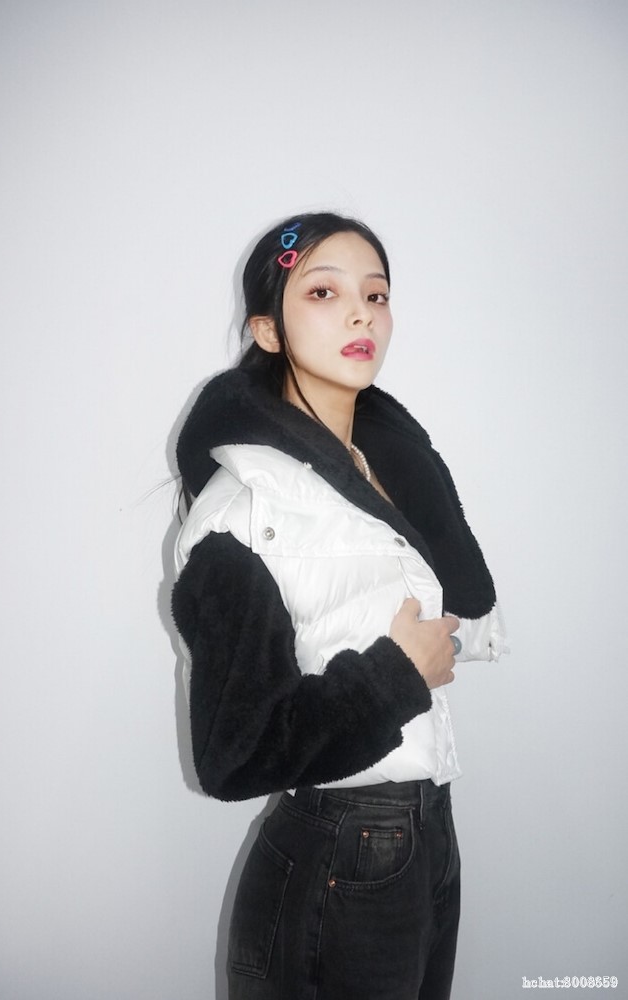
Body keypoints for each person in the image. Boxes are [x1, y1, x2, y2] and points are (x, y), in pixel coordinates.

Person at [171, 212, 508, 1000]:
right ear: (268, 329)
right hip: (341, 853)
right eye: (324, 293)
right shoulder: (242, 508)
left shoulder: (386, 471)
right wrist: (397, 676)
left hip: (426, 830)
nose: (362, 314)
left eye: (376, 294)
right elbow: (232, 753)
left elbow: (453, 615)